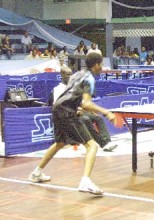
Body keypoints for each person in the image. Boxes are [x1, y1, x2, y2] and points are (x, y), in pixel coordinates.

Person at [28, 53, 116, 195]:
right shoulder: (89, 79)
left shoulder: (77, 74)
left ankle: (36, 173)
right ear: (97, 65)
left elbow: (74, 97)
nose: (102, 67)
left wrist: (79, 108)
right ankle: (85, 182)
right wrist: (106, 112)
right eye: (102, 64)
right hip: (67, 112)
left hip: (57, 108)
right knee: (92, 145)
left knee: (60, 143)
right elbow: (86, 103)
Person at [49, 66, 117, 152]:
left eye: (71, 74)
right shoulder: (58, 89)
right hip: (67, 114)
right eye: (67, 74)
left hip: (79, 111)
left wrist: (91, 111)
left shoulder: (73, 86)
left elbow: (82, 102)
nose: (70, 76)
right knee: (86, 119)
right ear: (61, 75)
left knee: (98, 118)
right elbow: (57, 105)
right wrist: (77, 111)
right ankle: (98, 143)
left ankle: (107, 142)